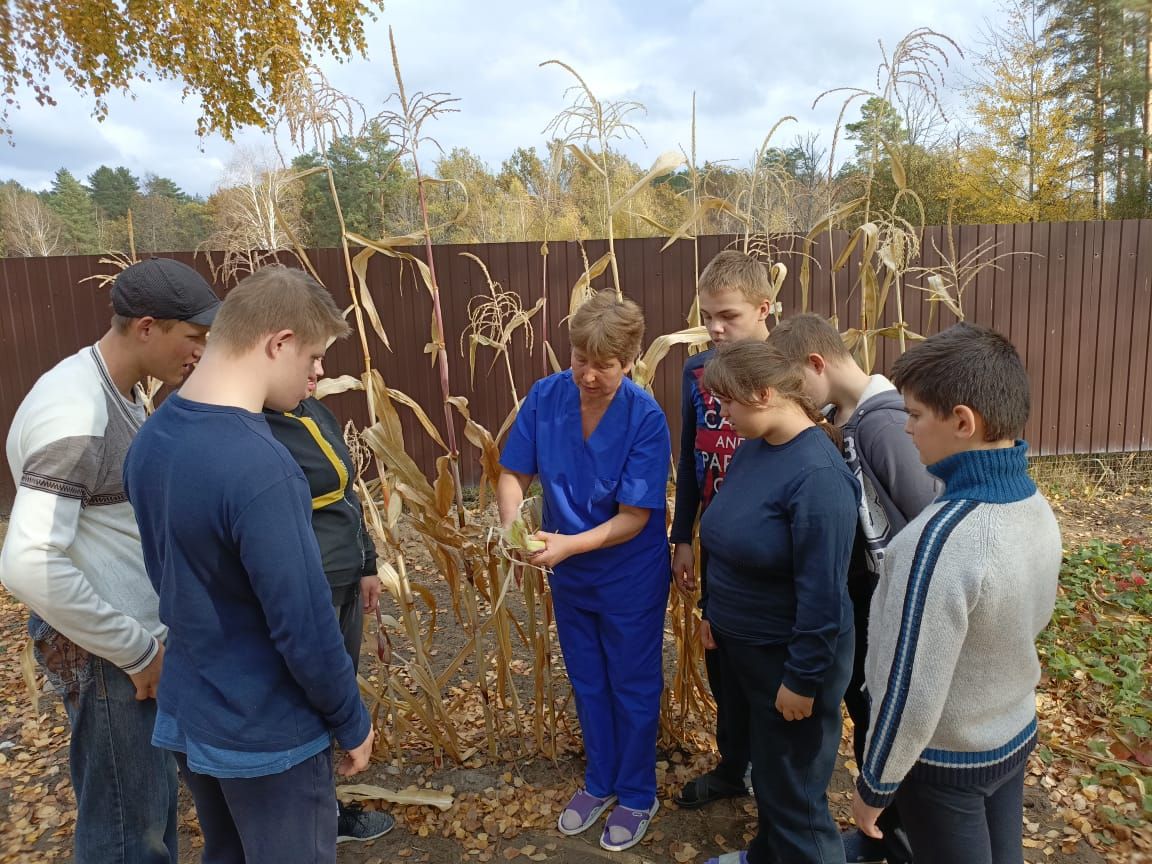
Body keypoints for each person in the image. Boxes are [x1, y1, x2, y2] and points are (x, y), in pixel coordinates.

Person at [123, 266, 375, 862]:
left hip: (193, 709)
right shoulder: (260, 464)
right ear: (278, 343)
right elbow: (303, 622)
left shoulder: (153, 438)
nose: (316, 371)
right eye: (311, 354)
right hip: (267, 729)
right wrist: (350, 716)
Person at [0, 257, 220, 864]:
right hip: (108, 658)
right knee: (128, 831)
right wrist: (137, 650)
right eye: (194, 337)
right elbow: (27, 561)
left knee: (147, 813)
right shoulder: (75, 410)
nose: (201, 353)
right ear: (146, 327)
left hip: (128, 646)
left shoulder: (115, 391)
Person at [851, 323, 1061, 864]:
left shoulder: (939, 540)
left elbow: (910, 689)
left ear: (963, 422)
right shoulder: (1034, 506)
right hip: (1011, 736)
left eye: (915, 415)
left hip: (945, 764)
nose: (907, 429)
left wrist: (874, 787)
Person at [496, 290, 671, 853]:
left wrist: (569, 545)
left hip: (628, 574)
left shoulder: (645, 417)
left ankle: (639, 792)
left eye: (605, 365)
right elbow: (512, 474)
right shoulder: (545, 397)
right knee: (589, 681)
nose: (589, 375)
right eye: (580, 360)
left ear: (630, 360)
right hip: (569, 574)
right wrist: (513, 526)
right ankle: (599, 783)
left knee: (633, 684)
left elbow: (635, 517)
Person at [770, 312, 939, 864]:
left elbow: (925, 516)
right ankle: (881, 839)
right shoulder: (838, 415)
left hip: (894, 597)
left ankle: (905, 840)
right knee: (868, 716)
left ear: (817, 364)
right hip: (866, 599)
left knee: (886, 720)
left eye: (796, 385)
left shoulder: (882, 423)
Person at [698, 340, 858, 864]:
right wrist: (712, 615)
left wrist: (802, 679)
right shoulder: (755, 448)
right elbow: (725, 539)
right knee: (769, 776)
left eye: (728, 402)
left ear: (765, 394)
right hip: (746, 645)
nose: (722, 414)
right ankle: (766, 856)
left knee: (796, 797)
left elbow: (825, 594)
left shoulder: (818, 477)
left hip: (790, 659)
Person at [264, 390, 396, 843]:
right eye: (311, 357)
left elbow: (347, 494)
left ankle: (322, 810)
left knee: (336, 686)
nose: (319, 372)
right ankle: (312, 818)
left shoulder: (311, 409)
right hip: (308, 582)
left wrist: (367, 563)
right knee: (311, 696)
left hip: (343, 577)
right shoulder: (255, 426)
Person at [670, 250, 772, 810]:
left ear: (763, 309)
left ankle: (777, 782)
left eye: (727, 316)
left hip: (771, 550)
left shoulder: (787, 372)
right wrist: (682, 534)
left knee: (767, 670)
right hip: (717, 547)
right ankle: (734, 766)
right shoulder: (695, 373)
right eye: (708, 314)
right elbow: (690, 456)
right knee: (722, 658)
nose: (714, 327)